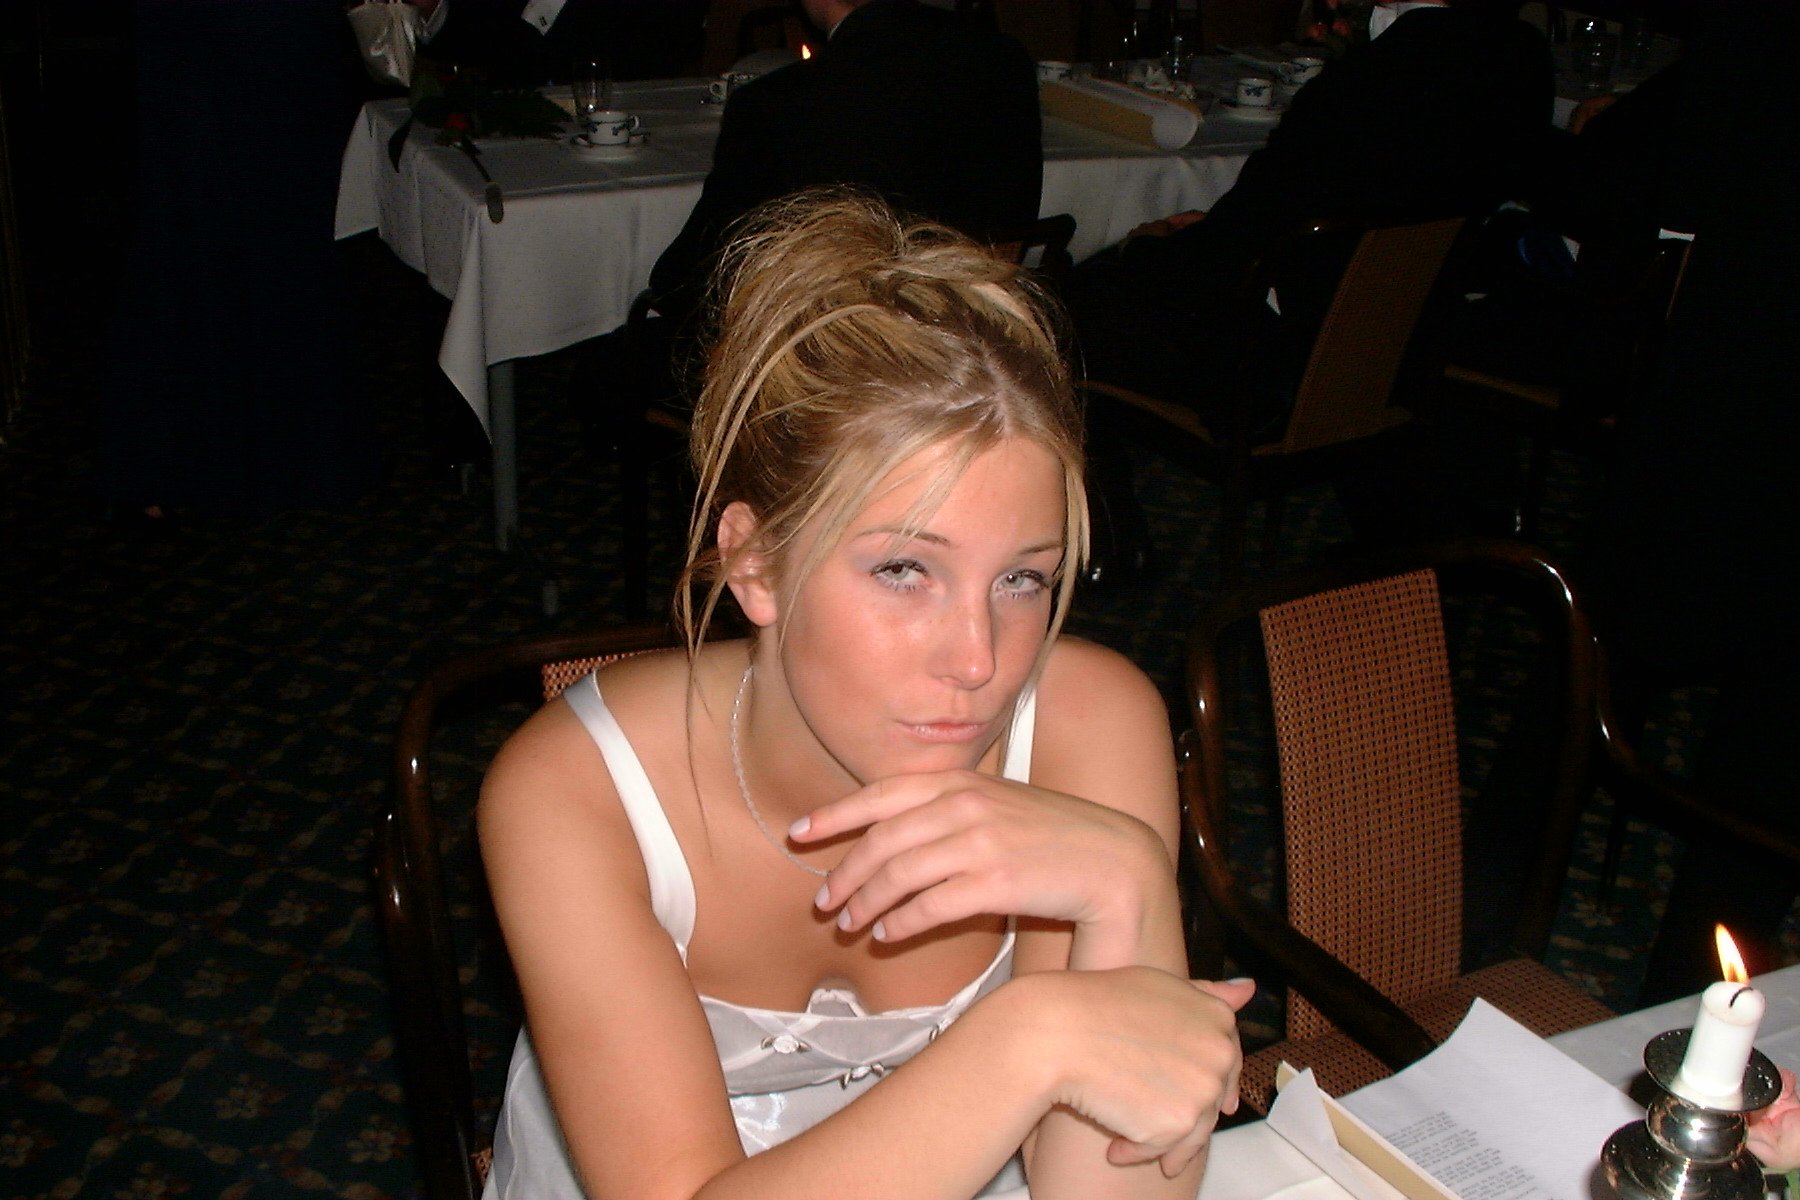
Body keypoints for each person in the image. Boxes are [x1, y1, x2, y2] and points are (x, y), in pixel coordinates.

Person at [478, 190, 1251, 1200]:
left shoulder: (1090, 727)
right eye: (903, 570)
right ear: (755, 564)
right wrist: (1034, 1038)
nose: (978, 661)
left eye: (1023, 579)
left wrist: (1129, 882)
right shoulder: (573, 793)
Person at [1069, 0, 1553, 419]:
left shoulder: (1365, 79)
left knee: (1070, 305)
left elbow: (1230, 253)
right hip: (1420, 332)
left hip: (1296, 359)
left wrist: (1144, 249)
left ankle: (1100, 496)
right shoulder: (1522, 52)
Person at [575, 0, 1043, 427]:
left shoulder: (780, 103)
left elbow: (697, 277)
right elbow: (1009, 215)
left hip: (822, 374)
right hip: (970, 349)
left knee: (610, 362)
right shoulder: (1003, 62)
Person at [408, 0, 709, 86]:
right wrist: (432, 9)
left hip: (621, 132)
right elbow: (479, 39)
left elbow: (675, 46)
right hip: (510, 129)